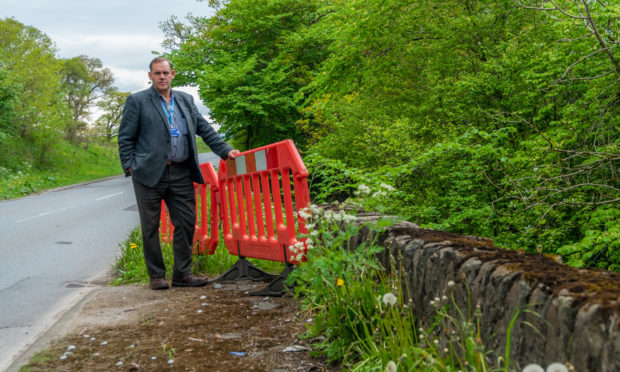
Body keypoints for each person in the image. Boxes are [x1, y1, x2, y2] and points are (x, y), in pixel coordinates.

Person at [118, 57, 240, 290]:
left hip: (182, 172)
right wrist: (131, 166)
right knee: (150, 227)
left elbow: (204, 128)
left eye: (165, 73)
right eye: (157, 73)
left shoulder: (185, 100)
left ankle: (183, 274)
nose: (162, 77)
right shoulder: (138, 101)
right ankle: (156, 276)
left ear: (173, 74)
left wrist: (224, 151)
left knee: (186, 222)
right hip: (149, 174)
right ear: (150, 76)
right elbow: (125, 137)